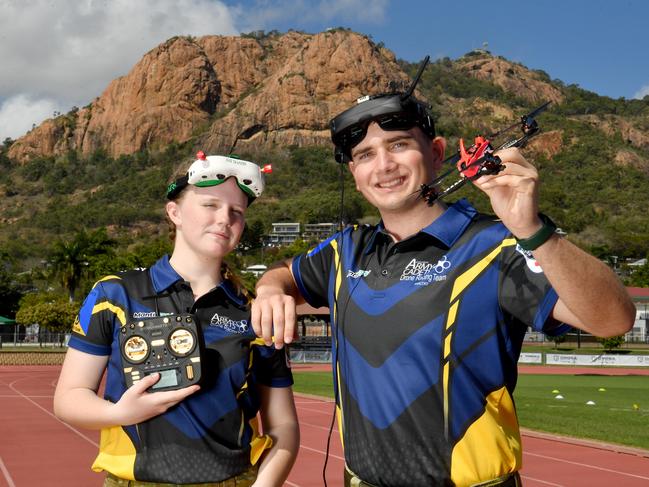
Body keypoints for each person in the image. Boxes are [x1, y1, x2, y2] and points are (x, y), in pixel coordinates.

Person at [251, 88, 636, 487]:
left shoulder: (497, 244)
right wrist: (269, 288)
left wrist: (533, 230)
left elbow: (613, 320)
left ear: (436, 152)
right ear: (354, 173)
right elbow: (285, 273)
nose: (383, 165)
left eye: (398, 145)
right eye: (365, 155)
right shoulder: (344, 250)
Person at [54, 152, 299, 487]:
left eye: (237, 212)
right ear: (175, 213)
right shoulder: (115, 294)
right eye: (210, 205)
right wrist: (119, 414)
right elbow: (69, 397)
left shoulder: (257, 313)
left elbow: (283, 426)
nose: (225, 218)